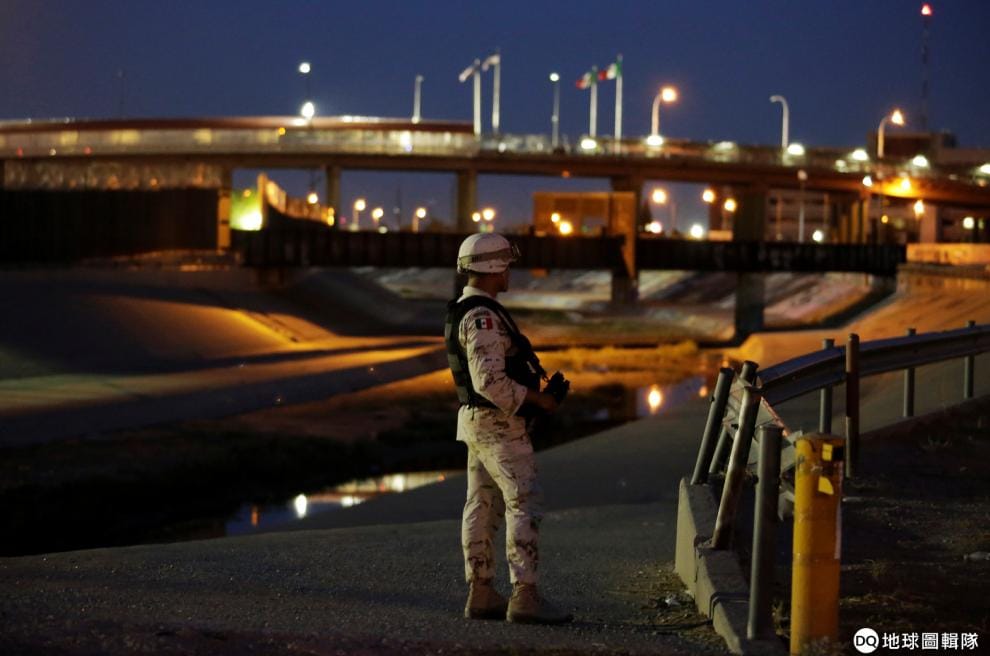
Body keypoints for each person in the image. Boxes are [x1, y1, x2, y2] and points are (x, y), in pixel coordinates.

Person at [444, 232, 572, 625]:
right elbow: (489, 382)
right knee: (523, 503)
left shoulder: (466, 310)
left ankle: (481, 592)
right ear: (494, 267)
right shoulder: (482, 317)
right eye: (506, 266)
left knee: (481, 504)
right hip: (498, 424)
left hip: (477, 422)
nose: (509, 273)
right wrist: (540, 401)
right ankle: (525, 596)